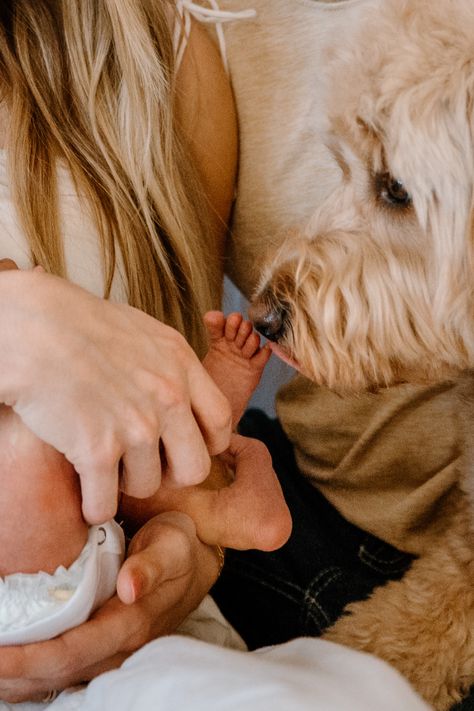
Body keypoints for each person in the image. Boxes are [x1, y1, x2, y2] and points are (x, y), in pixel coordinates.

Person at [0, 0, 291, 702]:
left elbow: (150, 380)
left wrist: (191, 555)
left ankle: (211, 499)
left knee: (36, 454)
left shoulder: (165, 43)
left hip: (103, 605)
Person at [0, 307, 289, 647]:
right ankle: (215, 505)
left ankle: (212, 487)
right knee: (50, 438)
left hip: (68, 582)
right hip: (44, 584)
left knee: (116, 457)